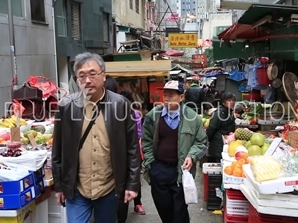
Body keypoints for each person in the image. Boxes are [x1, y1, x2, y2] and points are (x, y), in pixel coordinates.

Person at [51, 52, 140, 223]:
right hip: (77, 189)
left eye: (92, 74)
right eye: (82, 75)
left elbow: (132, 149)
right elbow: (58, 151)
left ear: (103, 76)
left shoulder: (121, 105)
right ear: (77, 79)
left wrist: (132, 184)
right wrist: (60, 186)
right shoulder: (66, 106)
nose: (87, 80)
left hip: (108, 188)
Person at [142, 80, 207, 223]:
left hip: (181, 172)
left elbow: (201, 142)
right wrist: (150, 162)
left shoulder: (192, 117)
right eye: (165, 95)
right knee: (164, 210)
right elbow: (145, 140)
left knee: (180, 214)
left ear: (181, 97)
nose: (166, 99)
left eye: (171, 95)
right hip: (159, 170)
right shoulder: (153, 116)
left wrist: (191, 156)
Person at [117, 90, 146, 223]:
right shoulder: (113, 114)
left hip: (132, 151)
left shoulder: (135, 115)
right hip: (117, 153)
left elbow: (138, 134)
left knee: (133, 178)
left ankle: (137, 203)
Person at [206, 92, 236, 163]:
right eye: (229, 100)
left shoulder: (228, 112)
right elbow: (211, 129)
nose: (232, 102)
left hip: (224, 143)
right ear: (223, 103)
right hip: (218, 145)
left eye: (233, 100)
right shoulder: (220, 113)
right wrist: (208, 140)